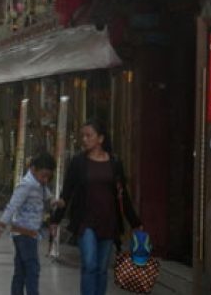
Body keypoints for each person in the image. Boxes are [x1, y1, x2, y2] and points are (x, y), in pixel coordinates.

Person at [50, 121, 142, 295]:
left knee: (101, 268)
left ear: (100, 138)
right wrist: (55, 220)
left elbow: (123, 196)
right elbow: (66, 193)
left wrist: (135, 223)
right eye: (82, 136)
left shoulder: (115, 163)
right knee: (90, 264)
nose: (84, 139)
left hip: (108, 222)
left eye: (88, 135)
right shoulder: (78, 163)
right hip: (86, 222)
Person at [0, 152, 57, 295]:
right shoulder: (27, 185)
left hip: (27, 233)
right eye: (43, 175)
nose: (45, 180)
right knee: (32, 268)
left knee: (20, 270)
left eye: (48, 177)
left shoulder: (39, 183)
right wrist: (0, 226)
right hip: (24, 234)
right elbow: (12, 205)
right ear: (33, 169)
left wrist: (53, 200)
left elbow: (46, 192)